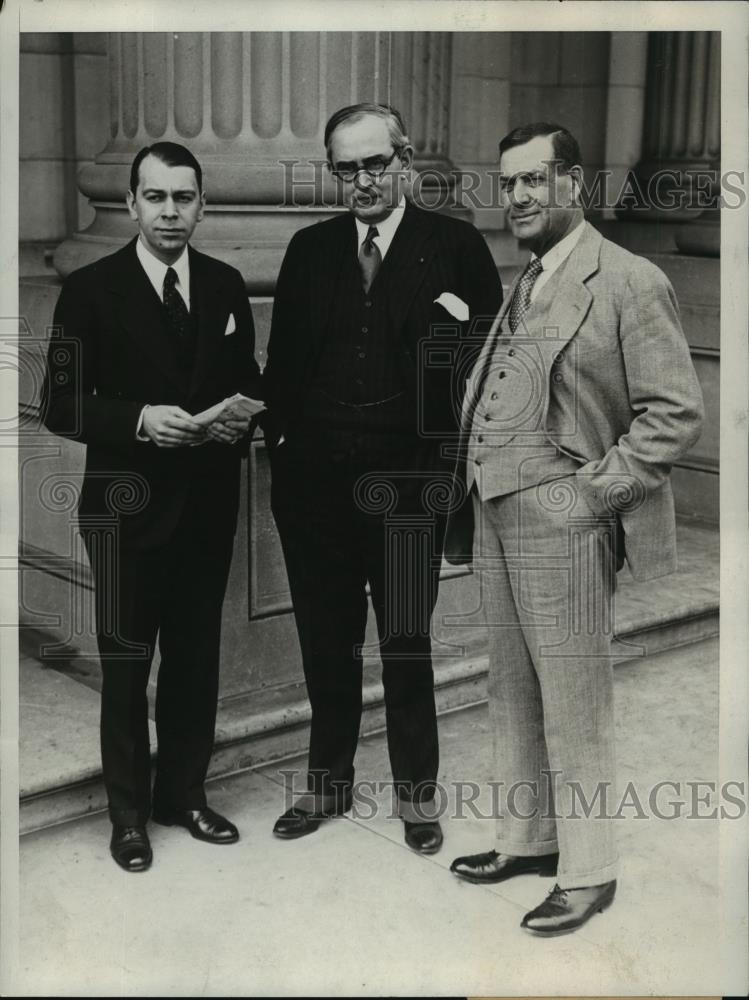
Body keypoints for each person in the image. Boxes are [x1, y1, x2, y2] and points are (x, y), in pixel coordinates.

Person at [448, 122, 704, 932]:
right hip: (494, 509)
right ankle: (528, 839)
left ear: (573, 185)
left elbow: (673, 416)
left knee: (575, 697)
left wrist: (589, 498)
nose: (518, 197)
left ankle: (589, 869)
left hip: (563, 518)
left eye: (533, 181)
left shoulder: (628, 279)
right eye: (509, 182)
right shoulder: (523, 279)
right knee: (511, 688)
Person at [263, 103, 503, 853]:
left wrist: (448, 474)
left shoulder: (455, 247)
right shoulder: (308, 251)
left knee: (405, 641)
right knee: (325, 643)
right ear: (332, 171)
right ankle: (327, 783)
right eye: (346, 168)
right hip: (314, 488)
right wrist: (280, 445)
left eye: (375, 163)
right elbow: (285, 367)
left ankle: (416, 796)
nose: (362, 180)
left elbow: (489, 370)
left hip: (408, 487)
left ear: (405, 160)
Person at [43, 141, 263, 873]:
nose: (172, 212)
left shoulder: (228, 287)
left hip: (204, 511)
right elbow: (59, 404)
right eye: (157, 197)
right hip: (125, 513)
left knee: (196, 664)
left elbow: (242, 379)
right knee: (128, 667)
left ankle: (184, 797)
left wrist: (244, 416)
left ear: (203, 205)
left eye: (185, 197)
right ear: (133, 204)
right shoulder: (89, 290)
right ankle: (128, 817)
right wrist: (138, 419)